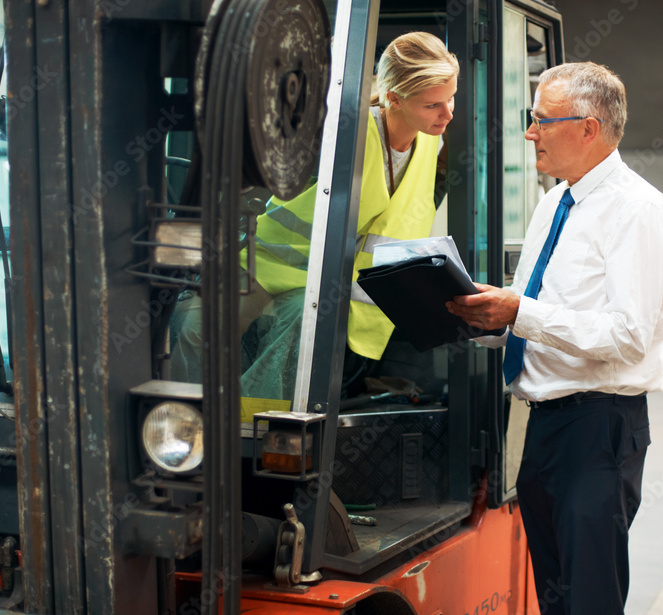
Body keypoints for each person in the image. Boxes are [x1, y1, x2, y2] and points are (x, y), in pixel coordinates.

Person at [446, 62, 663, 615]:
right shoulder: (554, 204)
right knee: (559, 601)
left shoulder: (639, 211)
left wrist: (521, 311)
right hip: (545, 426)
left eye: (541, 121)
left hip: (599, 429)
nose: (530, 134)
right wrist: (481, 316)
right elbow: (533, 313)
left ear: (590, 128)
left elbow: (628, 337)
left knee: (593, 609)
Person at [172, 31, 458, 401]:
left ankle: (252, 428)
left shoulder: (431, 144)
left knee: (303, 325)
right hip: (263, 267)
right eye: (433, 105)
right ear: (393, 98)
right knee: (193, 324)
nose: (448, 114)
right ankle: (191, 428)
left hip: (327, 286)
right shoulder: (341, 134)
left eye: (451, 99)